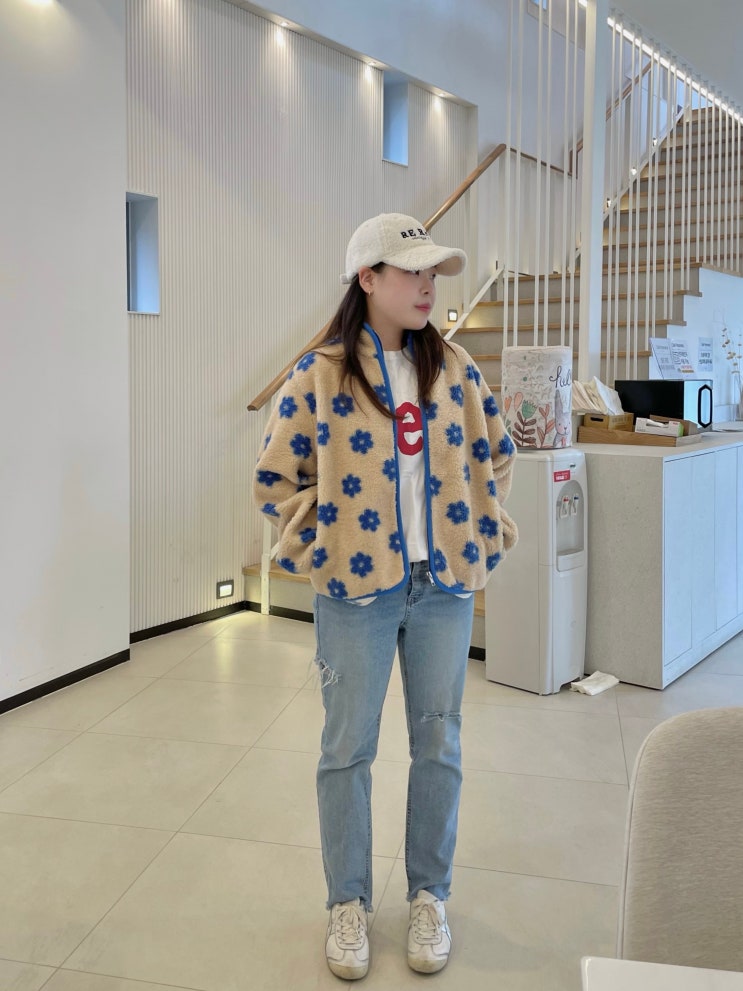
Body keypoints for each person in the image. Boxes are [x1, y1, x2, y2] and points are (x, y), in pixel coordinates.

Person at [253, 213, 518, 979]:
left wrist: (481, 530)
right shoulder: (320, 374)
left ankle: (429, 894)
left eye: (433, 272)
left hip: (442, 590)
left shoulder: (455, 368)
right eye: (411, 271)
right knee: (346, 750)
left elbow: (497, 456)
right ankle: (348, 903)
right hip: (356, 595)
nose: (427, 285)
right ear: (366, 278)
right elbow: (275, 480)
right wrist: (325, 546)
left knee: (439, 743)